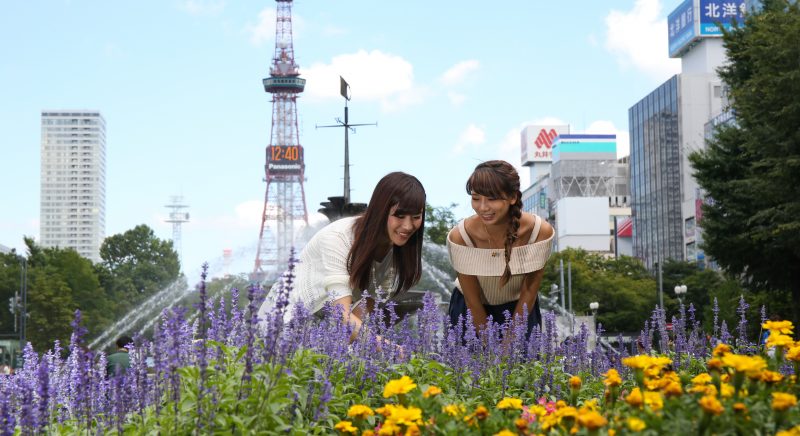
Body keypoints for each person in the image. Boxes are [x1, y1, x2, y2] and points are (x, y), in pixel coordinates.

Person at [258, 172, 426, 342]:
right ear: (381, 210)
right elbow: (342, 317)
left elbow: (357, 319)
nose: (408, 226)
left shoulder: (395, 253)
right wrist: (388, 347)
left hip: (320, 333)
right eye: (399, 216)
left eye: (416, 217)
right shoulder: (338, 237)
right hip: (282, 323)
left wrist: (350, 347)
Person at [446, 160, 554, 340]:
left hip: (521, 309)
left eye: (492, 199)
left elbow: (529, 291)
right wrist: (489, 344)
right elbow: (472, 300)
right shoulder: (461, 236)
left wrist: (509, 343)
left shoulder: (539, 232)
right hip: (470, 309)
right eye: (476, 198)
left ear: (512, 197)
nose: (483, 207)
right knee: (469, 359)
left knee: (522, 358)